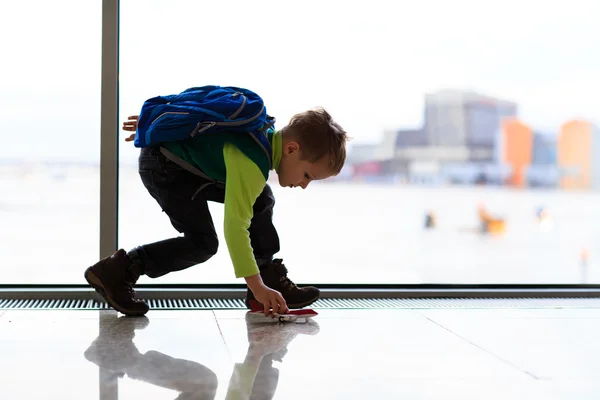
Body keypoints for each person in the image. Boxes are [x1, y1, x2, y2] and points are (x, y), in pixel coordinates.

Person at [84, 103, 348, 317]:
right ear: (291, 149)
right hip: (165, 168)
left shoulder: (260, 129)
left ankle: (267, 277)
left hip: (180, 164)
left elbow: (200, 101)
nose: (303, 185)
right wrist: (254, 285)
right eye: (307, 176)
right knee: (202, 243)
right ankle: (118, 270)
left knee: (262, 199)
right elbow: (235, 227)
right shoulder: (251, 164)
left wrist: (152, 119)